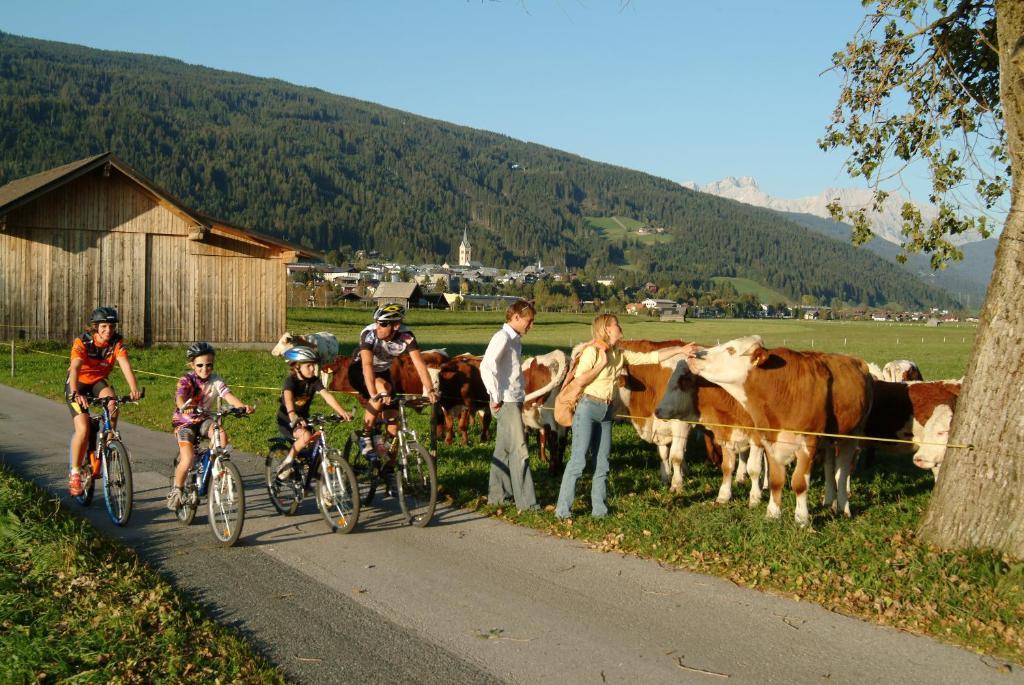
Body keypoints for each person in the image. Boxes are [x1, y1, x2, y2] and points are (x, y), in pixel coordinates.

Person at [555, 314, 696, 520]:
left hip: (606, 410)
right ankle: (562, 510)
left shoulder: (619, 353)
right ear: (606, 329)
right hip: (587, 408)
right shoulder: (591, 352)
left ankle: (599, 511)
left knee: (602, 462)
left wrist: (680, 349)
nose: (620, 327)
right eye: (616, 324)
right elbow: (579, 380)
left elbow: (653, 357)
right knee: (578, 462)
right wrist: (600, 365)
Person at [166, 342, 254, 510]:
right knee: (188, 458)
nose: (205, 369)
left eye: (209, 365)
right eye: (200, 365)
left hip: (204, 420)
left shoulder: (216, 380)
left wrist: (242, 407)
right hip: (184, 423)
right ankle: (177, 490)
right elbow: (180, 397)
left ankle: (215, 466)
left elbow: (228, 396)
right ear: (192, 364)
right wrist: (184, 405)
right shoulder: (186, 380)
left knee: (221, 435)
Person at [66, 307, 142, 496]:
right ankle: (75, 472)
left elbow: (125, 365)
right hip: (77, 384)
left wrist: (134, 389)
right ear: (95, 327)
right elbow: (75, 368)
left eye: (112, 326)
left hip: (98, 382)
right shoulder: (82, 342)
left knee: (113, 403)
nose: (109, 330)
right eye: (104, 326)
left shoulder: (116, 342)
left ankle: (109, 441)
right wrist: (75, 393)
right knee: (83, 429)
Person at [346, 303, 438, 459]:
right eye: (377, 322)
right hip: (359, 370)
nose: (378, 327)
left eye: (382, 324)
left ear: (396, 325)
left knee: (393, 426)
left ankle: (387, 466)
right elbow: (367, 366)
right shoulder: (369, 334)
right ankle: (365, 434)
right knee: (382, 388)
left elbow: (419, 364)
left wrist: (430, 389)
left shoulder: (406, 337)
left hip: (383, 372)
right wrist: (375, 393)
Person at [480, 300, 539, 512]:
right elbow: (487, 366)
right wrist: (495, 396)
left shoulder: (514, 340)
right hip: (506, 400)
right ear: (515, 317)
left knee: (503, 451)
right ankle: (527, 503)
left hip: (511, 398)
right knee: (520, 450)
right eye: (528, 321)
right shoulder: (502, 337)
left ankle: (498, 496)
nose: (530, 326)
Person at [276, 345, 353, 479]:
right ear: (297, 367)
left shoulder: (314, 381)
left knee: (317, 446)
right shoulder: (291, 381)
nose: (313, 369)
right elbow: (288, 399)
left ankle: (321, 485)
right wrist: (293, 415)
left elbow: (327, 396)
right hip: (287, 420)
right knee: (306, 437)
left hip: (304, 420)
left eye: (314, 365)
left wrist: (342, 412)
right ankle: (286, 463)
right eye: (309, 366)